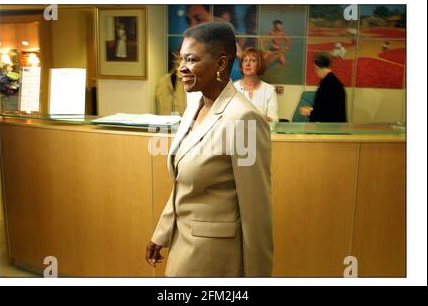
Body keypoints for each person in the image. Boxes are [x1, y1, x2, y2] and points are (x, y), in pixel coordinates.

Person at [146, 22, 273, 277]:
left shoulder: (243, 119)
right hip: (182, 244)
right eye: (181, 58)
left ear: (221, 64)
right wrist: (162, 232)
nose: (181, 67)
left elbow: (256, 211)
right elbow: (184, 184)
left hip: (214, 258)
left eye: (191, 59)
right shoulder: (194, 106)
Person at [234, 48, 279, 122]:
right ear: (241, 65)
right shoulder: (234, 88)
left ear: (259, 64)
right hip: (238, 132)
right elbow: (228, 117)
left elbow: (274, 120)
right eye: (245, 60)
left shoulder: (269, 90)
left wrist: (254, 118)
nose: (247, 64)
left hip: (261, 132)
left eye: (253, 60)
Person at [299, 52, 346, 122]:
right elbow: (328, 107)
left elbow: (326, 114)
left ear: (317, 67)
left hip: (330, 129)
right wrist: (313, 110)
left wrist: (308, 112)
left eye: (315, 68)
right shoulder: (334, 82)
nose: (315, 71)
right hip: (337, 127)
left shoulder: (327, 84)